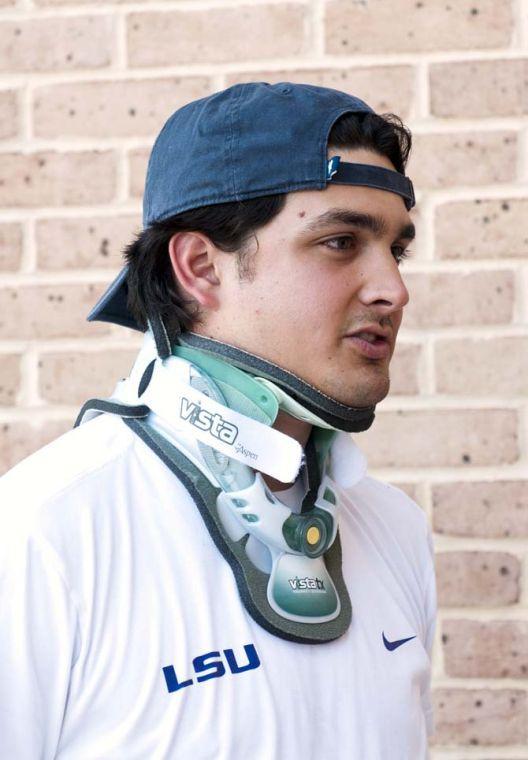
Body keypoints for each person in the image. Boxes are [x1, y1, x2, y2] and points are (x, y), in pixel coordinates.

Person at [0, 82, 437, 759]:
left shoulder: (395, 531)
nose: (393, 289)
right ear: (202, 268)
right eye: (342, 241)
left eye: (396, 250)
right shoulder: (43, 536)